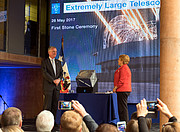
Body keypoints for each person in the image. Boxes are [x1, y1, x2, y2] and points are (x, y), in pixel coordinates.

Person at [41, 46, 63, 118]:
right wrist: (53, 80)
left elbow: (61, 73)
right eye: (53, 51)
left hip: (57, 87)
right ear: (49, 52)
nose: (55, 53)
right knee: (47, 106)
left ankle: (53, 121)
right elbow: (44, 73)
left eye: (56, 51)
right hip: (48, 87)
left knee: (55, 105)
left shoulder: (59, 62)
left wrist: (59, 79)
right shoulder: (45, 62)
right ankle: (46, 121)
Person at [113, 54, 131, 123]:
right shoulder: (124, 68)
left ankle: (124, 125)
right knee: (122, 108)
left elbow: (122, 80)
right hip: (123, 90)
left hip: (122, 90)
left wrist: (115, 87)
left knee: (123, 109)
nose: (118, 61)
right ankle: (124, 124)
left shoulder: (124, 68)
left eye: (119, 59)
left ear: (122, 60)